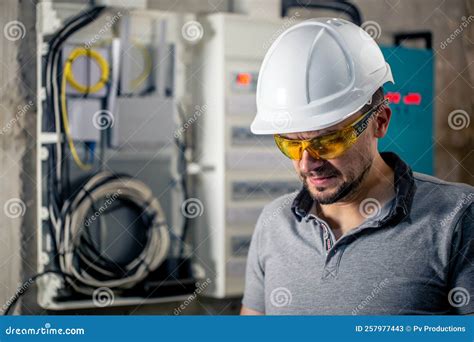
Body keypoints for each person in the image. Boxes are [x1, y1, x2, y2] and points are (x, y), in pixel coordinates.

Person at [240, 18, 473, 315]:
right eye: (291, 144)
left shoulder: (457, 218)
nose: (306, 162)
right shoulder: (274, 223)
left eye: (328, 141)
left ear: (380, 121)